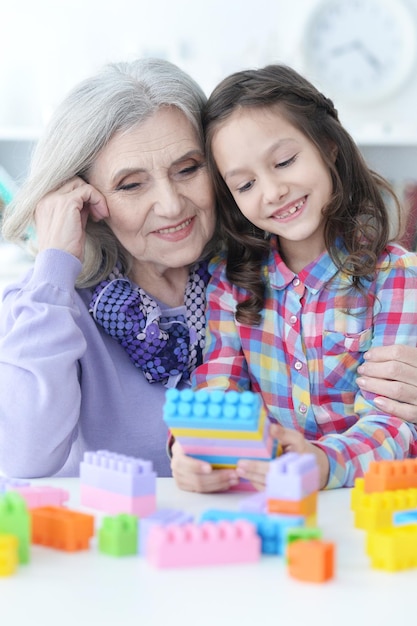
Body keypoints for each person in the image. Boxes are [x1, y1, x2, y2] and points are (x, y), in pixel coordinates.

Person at [171, 64, 417, 492]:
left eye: (284, 161)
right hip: (266, 501)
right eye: (245, 185)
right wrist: (193, 451)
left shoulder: (394, 279)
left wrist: (322, 462)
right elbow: (219, 393)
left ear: (328, 145)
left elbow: (393, 423)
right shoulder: (230, 285)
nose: (271, 192)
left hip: (364, 503)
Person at [0, 58, 219, 479]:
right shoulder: (52, 303)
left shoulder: (261, 278)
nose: (171, 204)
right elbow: (24, 458)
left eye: (188, 169)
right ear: (87, 200)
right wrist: (54, 263)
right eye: (131, 185)